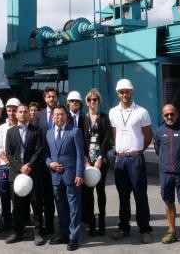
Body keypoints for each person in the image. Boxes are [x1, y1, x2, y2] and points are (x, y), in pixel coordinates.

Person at [109, 78, 153, 243]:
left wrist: (138, 149)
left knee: (140, 194)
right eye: (121, 92)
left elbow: (148, 135)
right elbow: (114, 134)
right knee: (123, 196)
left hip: (136, 159)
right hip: (120, 159)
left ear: (132, 92)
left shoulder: (142, 112)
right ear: (118, 94)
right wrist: (122, 148)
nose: (124, 94)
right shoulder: (113, 112)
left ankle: (145, 229)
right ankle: (123, 227)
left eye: (127, 91)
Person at [153, 104, 180, 248]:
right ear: (163, 116)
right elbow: (158, 150)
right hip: (166, 173)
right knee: (168, 202)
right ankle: (172, 231)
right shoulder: (159, 132)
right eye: (166, 115)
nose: (169, 117)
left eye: (172, 114)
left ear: (177, 114)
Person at [45, 105, 86, 251]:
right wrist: (50, 163)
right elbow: (46, 154)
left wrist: (80, 174)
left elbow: (80, 155)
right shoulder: (49, 133)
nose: (59, 117)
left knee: (74, 207)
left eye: (62, 114)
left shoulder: (75, 131)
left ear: (66, 116)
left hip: (72, 176)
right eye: (56, 114)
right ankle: (63, 233)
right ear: (52, 117)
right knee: (61, 206)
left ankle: (73, 236)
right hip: (56, 176)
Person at [5, 103, 46, 246]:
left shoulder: (37, 131)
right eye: (20, 112)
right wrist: (20, 167)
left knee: (36, 203)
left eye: (25, 112)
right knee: (17, 205)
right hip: (16, 173)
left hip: (33, 172)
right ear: (16, 114)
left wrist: (29, 165)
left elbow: (39, 150)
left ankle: (38, 233)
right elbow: (9, 153)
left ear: (29, 114)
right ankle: (17, 232)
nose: (22, 114)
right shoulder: (10, 132)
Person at [82, 88, 112, 236]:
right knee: (88, 192)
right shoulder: (83, 118)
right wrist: (85, 159)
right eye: (89, 99)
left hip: (101, 160)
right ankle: (91, 223)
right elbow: (81, 140)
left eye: (95, 99)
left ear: (99, 101)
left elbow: (107, 138)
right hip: (87, 160)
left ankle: (102, 223)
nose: (92, 102)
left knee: (100, 191)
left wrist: (100, 157)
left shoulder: (104, 117)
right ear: (87, 102)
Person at [33, 87, 59, 236]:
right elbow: (35, 137)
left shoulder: (63, 113)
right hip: (42, 161)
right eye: (49, 97)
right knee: (44, 196)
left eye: (53, 96)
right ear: (45, 99)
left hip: (58, 160)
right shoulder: (38, 115)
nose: (51, 99)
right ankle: (45, 225)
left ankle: (56, 225)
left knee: (56, 195)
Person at [0, 97, 19, 231]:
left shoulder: (22, 127)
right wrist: (8, 162)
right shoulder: (2, 128)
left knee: (16, 196)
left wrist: (15, 164)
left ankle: (18, 222)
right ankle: (6, 221)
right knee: (4, 195)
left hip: (18, 167)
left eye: (14, 110)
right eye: (9, 110)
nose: (11, 113)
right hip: (4, 166)